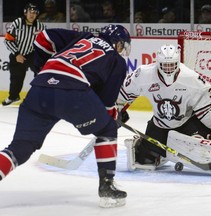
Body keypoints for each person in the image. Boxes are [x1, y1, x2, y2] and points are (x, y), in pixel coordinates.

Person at [0, 24, 131, 208]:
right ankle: (107, 187)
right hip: (72, 93)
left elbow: (43, 37)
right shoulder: (116, 60)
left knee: (19, 147)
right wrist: (113, 118)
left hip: (40, 88)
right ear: (118, 44)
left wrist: (41, 69)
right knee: (107, 129)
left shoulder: (81, 37)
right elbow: (107, 105)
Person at [118, 44, 211, 179]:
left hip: (187, 123)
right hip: (160, 125)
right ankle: (155, 151)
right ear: (158, 63)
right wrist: (117, 110)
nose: (168, 69)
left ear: (178, 63)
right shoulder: (143, 75)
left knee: (203, 152)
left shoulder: (191, 79)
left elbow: (208, 106)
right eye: (165, 65)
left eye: (171, 65)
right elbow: (123, 94)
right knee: (143, 161)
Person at [2, 3, 45, 106]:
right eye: (30, 12)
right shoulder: (17, 23)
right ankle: (13, 97)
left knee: (41, 74)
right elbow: (8, 40)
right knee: (16, 77)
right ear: (25, 12)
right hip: (17, 53)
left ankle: (40, 97)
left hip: (32, 53)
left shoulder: (40, 26)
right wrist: (17, 54)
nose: (32, 14)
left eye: (35, 13)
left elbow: (42, 42)